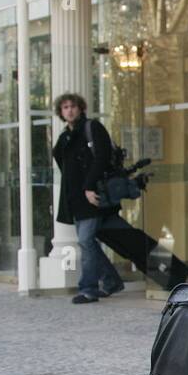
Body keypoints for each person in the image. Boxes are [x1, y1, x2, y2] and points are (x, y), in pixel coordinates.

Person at [51, 93, 126, 304]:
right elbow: (60, 159)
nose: (69, 110)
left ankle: (89, 288)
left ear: (81, 108)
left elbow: (102, 159)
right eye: (65, 107)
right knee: (87, 242)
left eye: (73, 106)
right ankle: (110, 281)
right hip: (75, 199)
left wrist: (88, 186)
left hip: (93, 196)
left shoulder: (92, 128)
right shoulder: (66, 136)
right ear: (61, 112)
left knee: (85, 241)